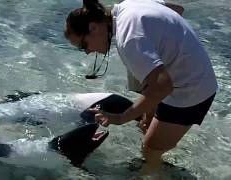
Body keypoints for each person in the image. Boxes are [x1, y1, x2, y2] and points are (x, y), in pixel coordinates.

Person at [64, 0, 218, 175]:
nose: (87, 52)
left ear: (93, 27)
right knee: (141, 92)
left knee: (150, 149)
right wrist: (170, 44)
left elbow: (162, 86)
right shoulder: (128, 5)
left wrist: (122, 118)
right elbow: (177, 10)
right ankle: (152, 127)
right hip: (194, 73)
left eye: (83, 46)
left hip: (190, 90)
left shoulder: (128, 39)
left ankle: (155, 175)